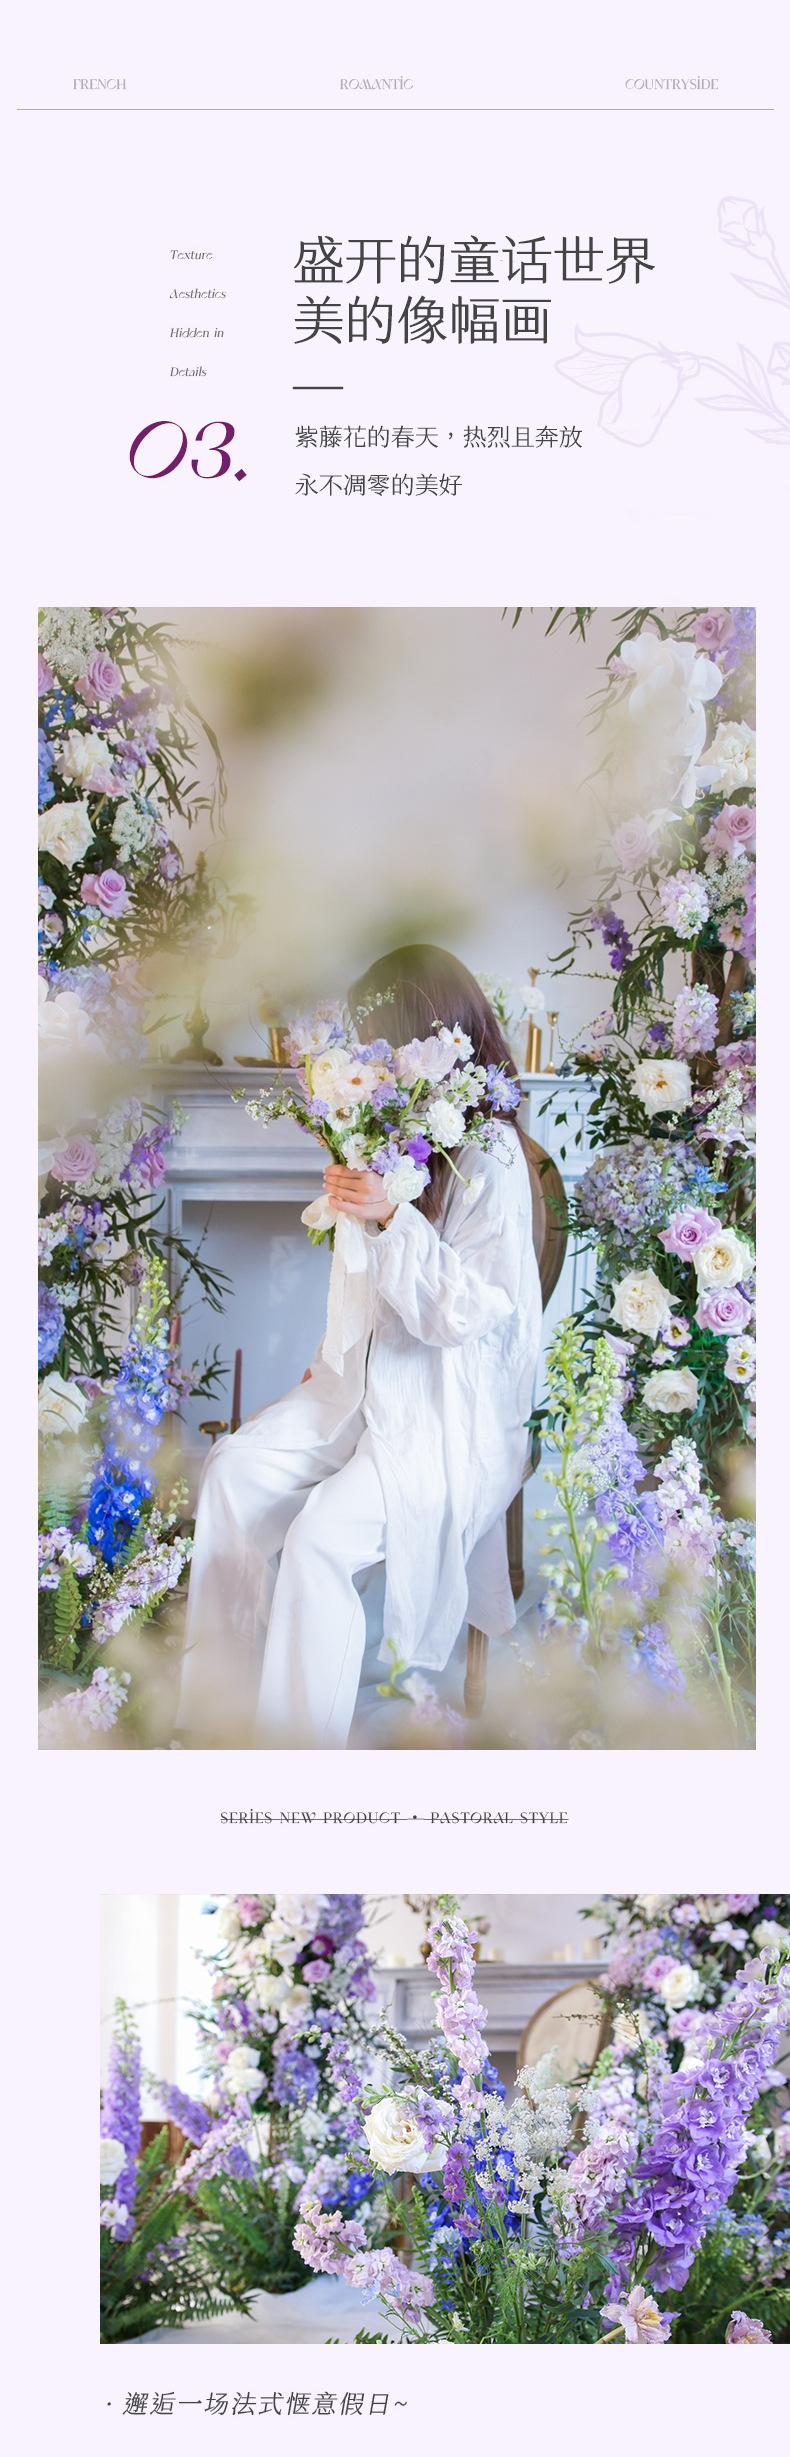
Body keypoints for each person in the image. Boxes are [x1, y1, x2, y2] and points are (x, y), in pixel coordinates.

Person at [179, 946, 543, 1747]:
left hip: (450, 1412)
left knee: (319, 1540)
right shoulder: (394, 1132)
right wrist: (328, 1356)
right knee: (233, 1471)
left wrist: (391, 1215)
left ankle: (293, 1755)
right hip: (363, 1386)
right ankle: (216, 1718)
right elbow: (359, 1285)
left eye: (382, 1037)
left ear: (428, 1034)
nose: (374, 1059)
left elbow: (468, 1313)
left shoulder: (491, 1152)